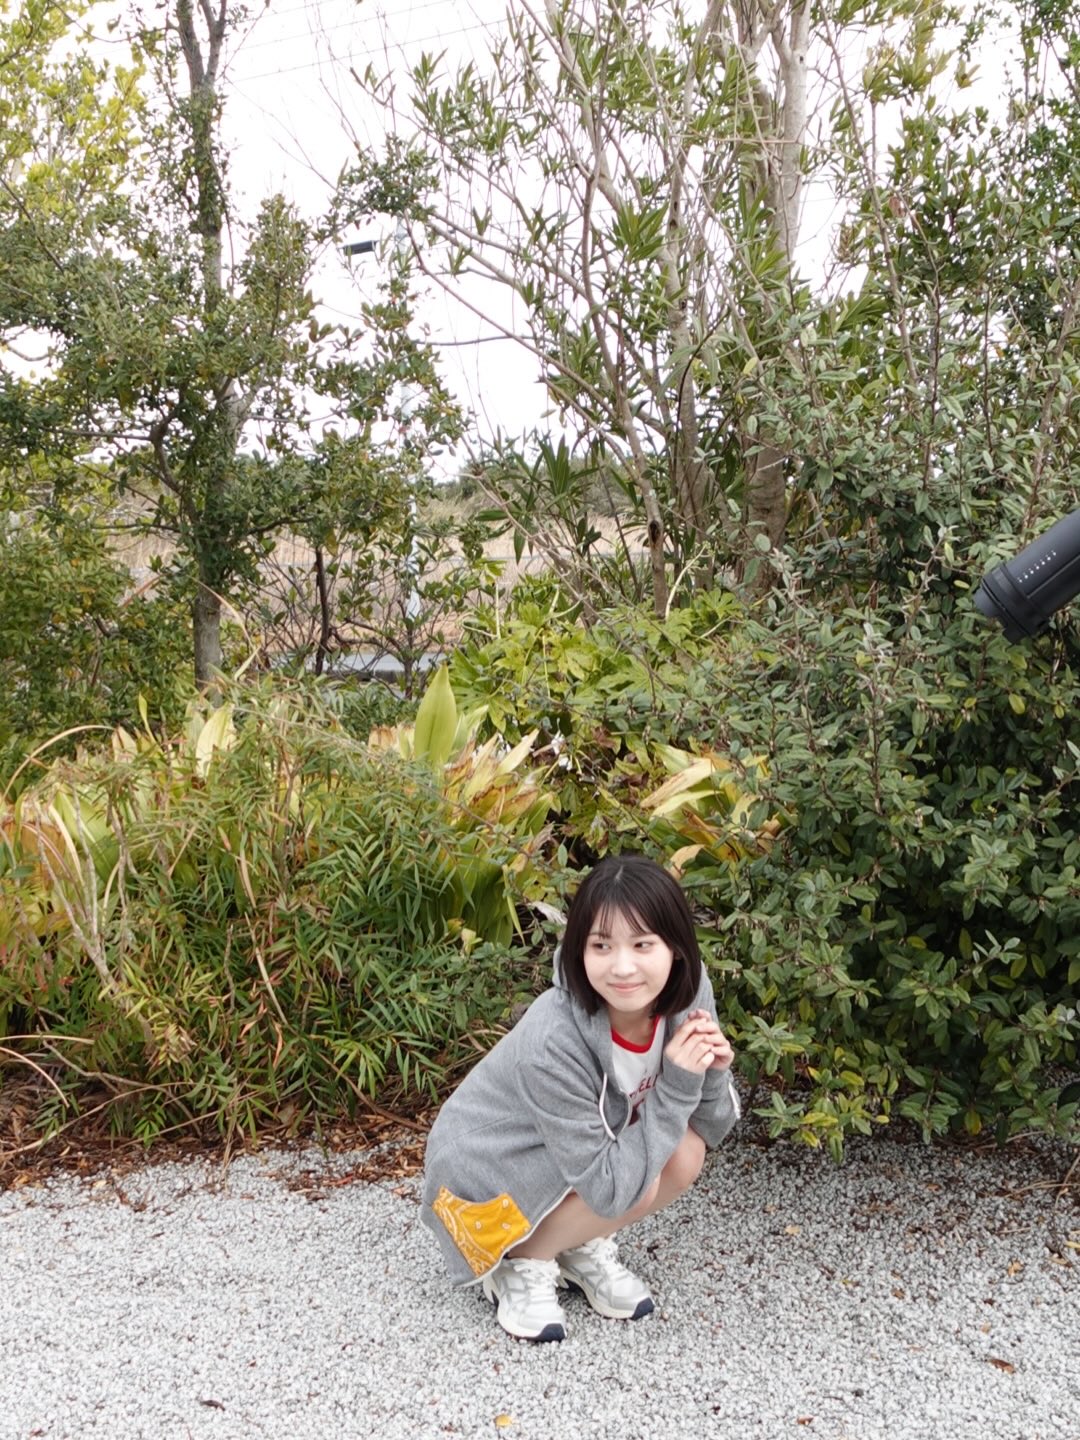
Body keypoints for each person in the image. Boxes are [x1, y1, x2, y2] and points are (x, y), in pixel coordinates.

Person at [420, 853, 740, 1342]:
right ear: (579, 950)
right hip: (482, 1177)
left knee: (685, 1153)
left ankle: (573, 1242)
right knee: (636, 1182)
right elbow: (613, 1189)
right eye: (601, 945)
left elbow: (711, 1125)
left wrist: (711, 1071)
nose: (623, 967)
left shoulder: (690, 991)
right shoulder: (553, 1040)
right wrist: (678, 1084)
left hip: (570, 1157)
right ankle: (522, 1259)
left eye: (642, 944)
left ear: (675, 948)